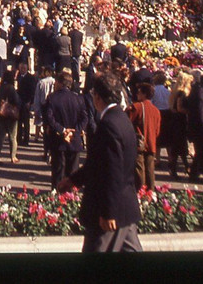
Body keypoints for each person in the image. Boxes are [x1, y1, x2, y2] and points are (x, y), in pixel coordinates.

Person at [57, 72, 142, 253]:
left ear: (97, 96)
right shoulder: (122, 119)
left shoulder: (108, 125)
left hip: (110, 210)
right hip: (125, 205)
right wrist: (73, 181)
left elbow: (113, 171)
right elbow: (97, 163)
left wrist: (108, 211)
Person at [44, 71, 87, 188]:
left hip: (58, 141)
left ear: (59, 83)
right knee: (73, 173)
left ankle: (58, 197)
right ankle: (71, 199)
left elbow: (49, 118)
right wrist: (75, 131)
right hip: (74, 140)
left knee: (58, 173)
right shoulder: (79, 98)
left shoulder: (52, 98)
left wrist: (63, 130)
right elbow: (84, 118)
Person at [128, 82, 161, 190]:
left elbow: (126, 122)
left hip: (138, 144)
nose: (137, 94)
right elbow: (157, 130)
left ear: (144, 94)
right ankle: (150, 193)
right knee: (150, 171)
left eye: (139, 92)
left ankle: (140, 193)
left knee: (139, 171)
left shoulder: (136, 107)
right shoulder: (156, 110)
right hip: (151, 144)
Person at [167, 71, 193, 178]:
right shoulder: (182, 93)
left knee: (178, 147)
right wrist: (189, 111)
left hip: (175, 121)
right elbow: (179, 108)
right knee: (180, 146)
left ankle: (179, 167)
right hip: (180, 121)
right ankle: (182, 167)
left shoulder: (175, 91)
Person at [0, 70, 22, 164]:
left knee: (0, 137)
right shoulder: (11, 88)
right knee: (12, 136)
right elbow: (17, 101)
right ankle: (13, 156)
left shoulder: (0, 88)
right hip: (10, 115)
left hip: (1, 114)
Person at [15, 62, 38, 146]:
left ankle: (26, 139)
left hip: (26, 101)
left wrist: (30, 102)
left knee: (26, 122)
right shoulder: (19, 77)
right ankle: (19, 138)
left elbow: (32, 91)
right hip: (19, 101)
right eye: (21, 68)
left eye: (23, 68)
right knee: (19, 121)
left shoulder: (30, 78)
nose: (22, 70)